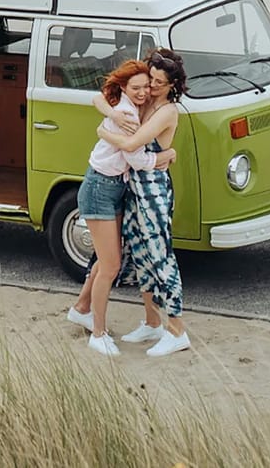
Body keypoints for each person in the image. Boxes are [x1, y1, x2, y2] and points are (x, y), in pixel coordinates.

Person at [64, 59, 172, 356]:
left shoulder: (131, 107)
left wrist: (104, 125)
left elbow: (99, 102)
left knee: (105, 259)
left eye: (145, 87)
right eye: (135, 88)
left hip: (114, 187)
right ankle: (97, 333)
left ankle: (82, 308)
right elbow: (137, 159)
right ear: (124, 88)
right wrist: (167, 156)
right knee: (110, 265)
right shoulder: (128, 113)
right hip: (100, 187)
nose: (142, 92)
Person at [96, 48, 192, 356]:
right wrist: (109, 116)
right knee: (139, 252)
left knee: (160, 254)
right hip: (134, 186)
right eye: (151, 79)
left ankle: (177, 329)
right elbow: (101, 97)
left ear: (173, 86)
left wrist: (102, 131)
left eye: (159, 83)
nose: (151, 87)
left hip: (152, 188)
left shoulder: (168, 111)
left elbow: (132, 144)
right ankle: (152, 322)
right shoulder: (148, 99)